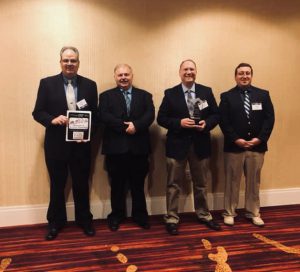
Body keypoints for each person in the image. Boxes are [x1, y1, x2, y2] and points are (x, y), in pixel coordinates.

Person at [32, 46, 98, 240]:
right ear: (60, 62)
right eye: (66, 60)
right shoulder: (47, 84)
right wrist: (52, 119)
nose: (70, 64)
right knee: (57, 185)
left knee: (81, 184)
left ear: (79, 62)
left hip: (81, 145)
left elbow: (95, 115)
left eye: (73, 60)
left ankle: (84, 220)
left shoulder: (90, 85)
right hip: (56, 145)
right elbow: (38, 112)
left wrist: (89, 133)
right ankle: (55, 222)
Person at [157, 59, 221, 235]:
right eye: (185, 69)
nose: (189, 72)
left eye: (192, 69)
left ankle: (204, 214)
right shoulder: (170, 94)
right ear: (180, 72)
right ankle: (171, 217)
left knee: (201, 184)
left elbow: (216, 115)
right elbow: (161, 118)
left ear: (196, 72)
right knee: (173, 184)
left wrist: (207, 124)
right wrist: (179, 122)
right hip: (177, 145)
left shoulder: (205, 92)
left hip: (200, 144)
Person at [99, 64, 155, 231]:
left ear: (132, 75)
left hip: (139, 149)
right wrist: (125, 127)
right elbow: (104, 116)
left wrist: (136, 126)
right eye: (120, 75)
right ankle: (116, 215)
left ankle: (140, 216)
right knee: (117, 185)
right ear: (115, 77)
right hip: (115, 150)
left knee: (138, 185)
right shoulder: (106, 96)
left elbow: (150, 115)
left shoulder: (145, 95)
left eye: (126, 74)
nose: (123, 77)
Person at [219, 63, 275, 227]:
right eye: (241, 73)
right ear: (235, 76)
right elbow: (224, 121)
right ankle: (229, 212)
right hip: (234, 147)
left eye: (247, 73)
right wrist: (236, 139)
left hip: (257, 147)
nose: (244, 76)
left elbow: (269, 119)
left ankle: (253, 212)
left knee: (253, 181)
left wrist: (260, 139)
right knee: (232, 181)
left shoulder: (263, 95)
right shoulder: (226, 96)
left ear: (251, 75)